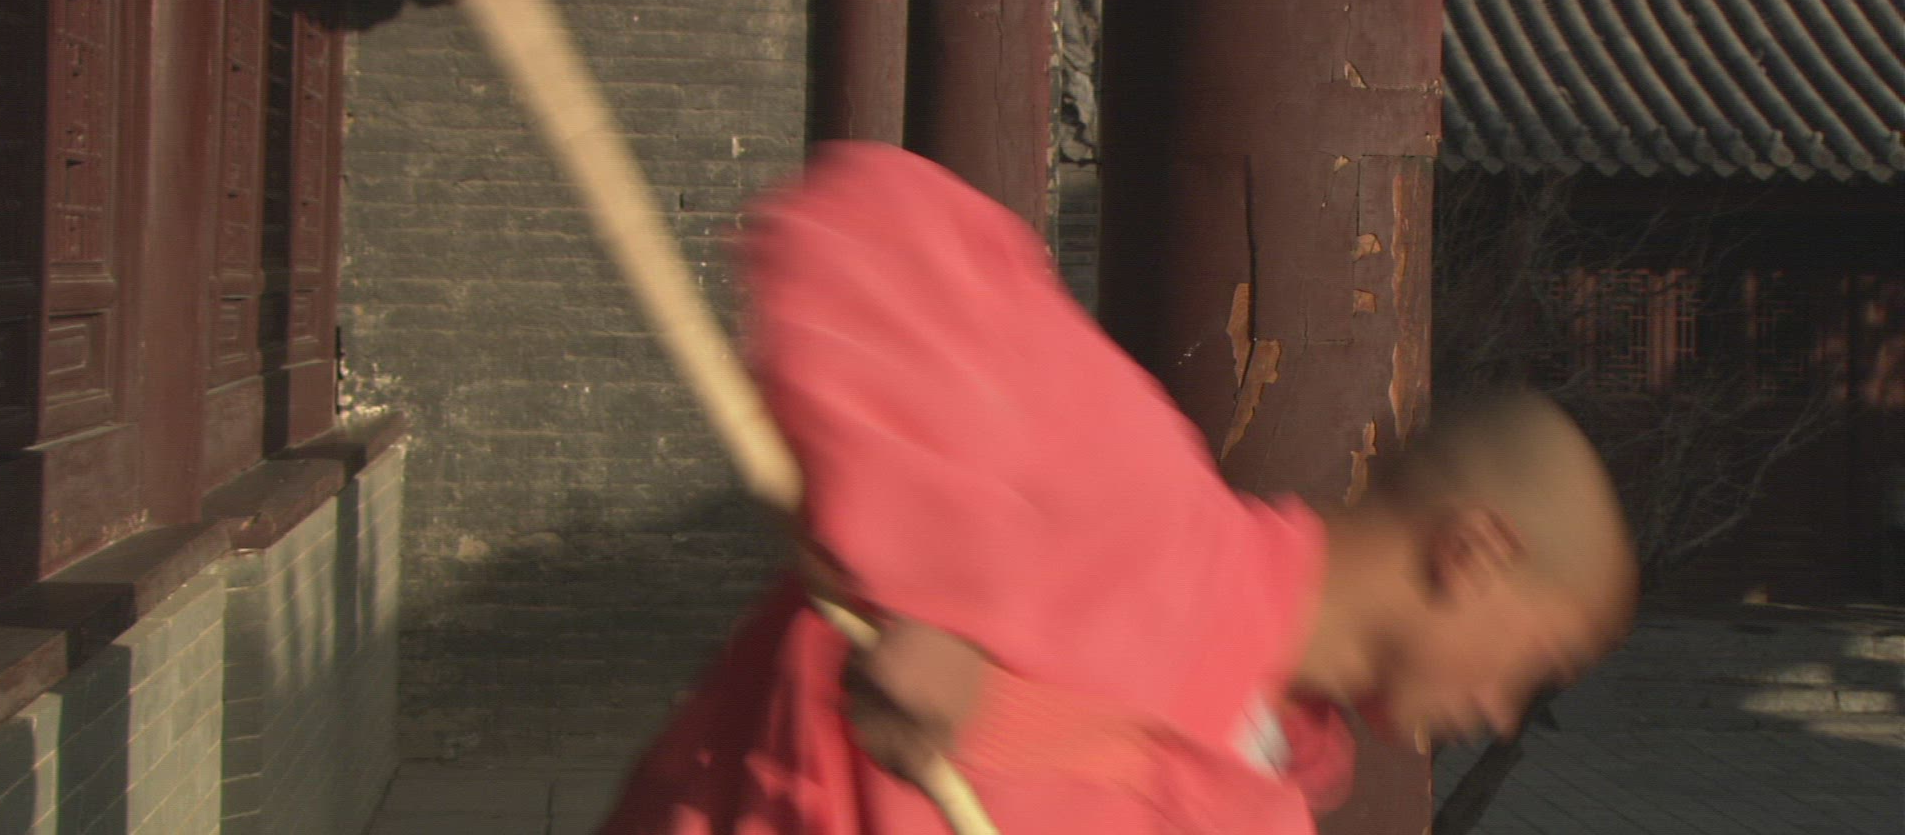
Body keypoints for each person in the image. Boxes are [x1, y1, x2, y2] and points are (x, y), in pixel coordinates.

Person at [600, 143, 1637, 835]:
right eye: (1533, 667)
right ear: (1474, 554)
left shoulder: (1269, 803)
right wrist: (936, 588)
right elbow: (870, 218)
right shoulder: (1136, 493)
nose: (1501, 715)